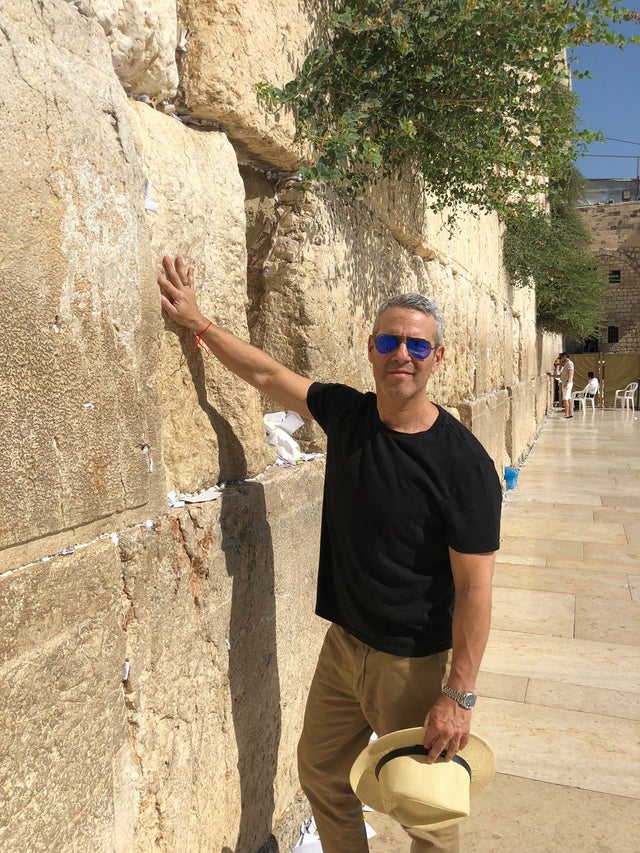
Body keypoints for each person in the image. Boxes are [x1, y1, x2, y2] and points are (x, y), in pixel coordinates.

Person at [158, 256, 502, 853]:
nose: (403, 355)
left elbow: (475, 591)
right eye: (391, 341)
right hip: (344, 647)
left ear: (437, 358)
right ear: (371, 348)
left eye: (418, 346)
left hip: (411, 664)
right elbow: (267, 375)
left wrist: (458, 695)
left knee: (429, 815)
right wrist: (199, 323)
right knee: (320, 773)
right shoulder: (350, 416)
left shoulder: (464, 466)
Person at [558, 352, 575, 419]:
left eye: (562, 358)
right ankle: (570, 414)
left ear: (565, 356)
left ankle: (566, 414)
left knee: (565, 398)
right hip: (567, 382)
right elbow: (562, 375)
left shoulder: (569, 363)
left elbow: (570, 373)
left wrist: (567, 382)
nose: (561, 359)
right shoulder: (566, 364)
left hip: (567, 383)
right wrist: (551, 375)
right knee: (568, 398)